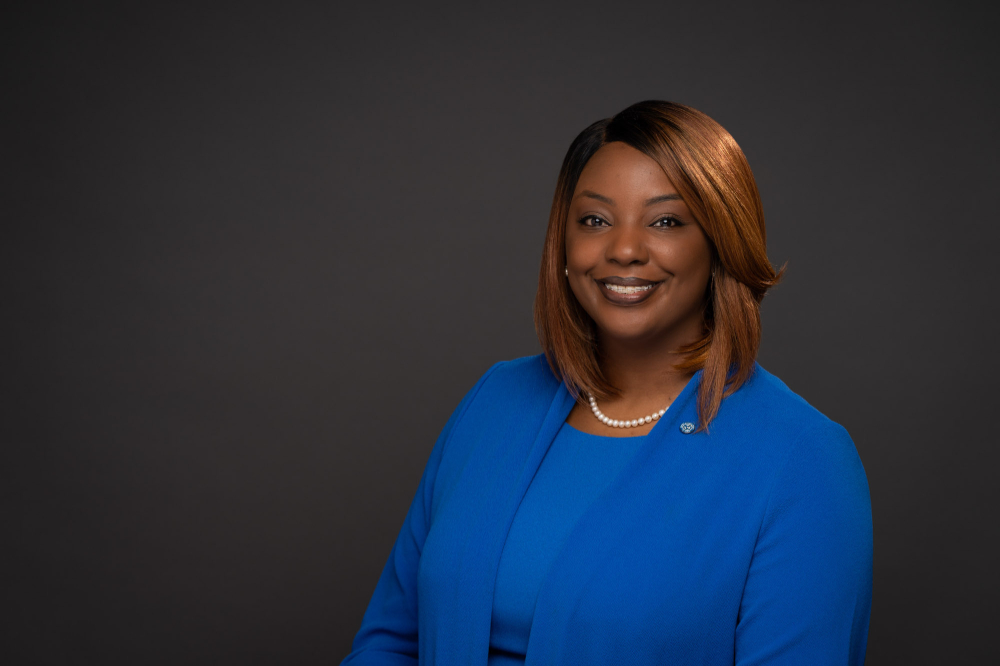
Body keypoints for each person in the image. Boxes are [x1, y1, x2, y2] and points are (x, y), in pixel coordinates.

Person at [341, 101, 873, 666]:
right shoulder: (495, 401)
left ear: (720, 241)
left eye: (666, 221)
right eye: (595, 220)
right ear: (563, 246)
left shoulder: (803, 460)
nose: (623, 249)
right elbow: (391, 642)